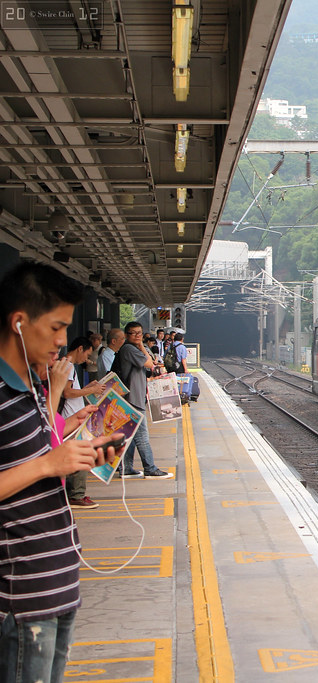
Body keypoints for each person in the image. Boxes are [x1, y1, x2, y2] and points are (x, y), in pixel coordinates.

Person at [0, 261, 121, 683]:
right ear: (18, 323)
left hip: (58, 585)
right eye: (55, 327)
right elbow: (39, 463)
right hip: (20, 598)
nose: (61, 341)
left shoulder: (32, 383)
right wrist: (49, 463)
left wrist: (83, 452)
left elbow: (38, 452)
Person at [113, 322, 172, 479]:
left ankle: (126, 468)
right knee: (142, 437)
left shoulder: (133, 348)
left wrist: (141, 345)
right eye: (133, 333)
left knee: (130, 436)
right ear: (126, 335)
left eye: (140, 332)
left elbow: (149, 361)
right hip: (133, 399)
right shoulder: (129, 349)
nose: (138, 335)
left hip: (133, 397)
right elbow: (149, 363)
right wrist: (140, 345)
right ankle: (150, 468)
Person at [60, 338, 103, 509]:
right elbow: (68, 393)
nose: (86, 359)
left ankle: (74, 493)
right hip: (71, 417)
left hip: (73, 415)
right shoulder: (68, 365)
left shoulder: (68, 366)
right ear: (79, 349)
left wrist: (87, 387)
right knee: (82, 455)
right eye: (86, 354)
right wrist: (91, 390)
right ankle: (76, 495)